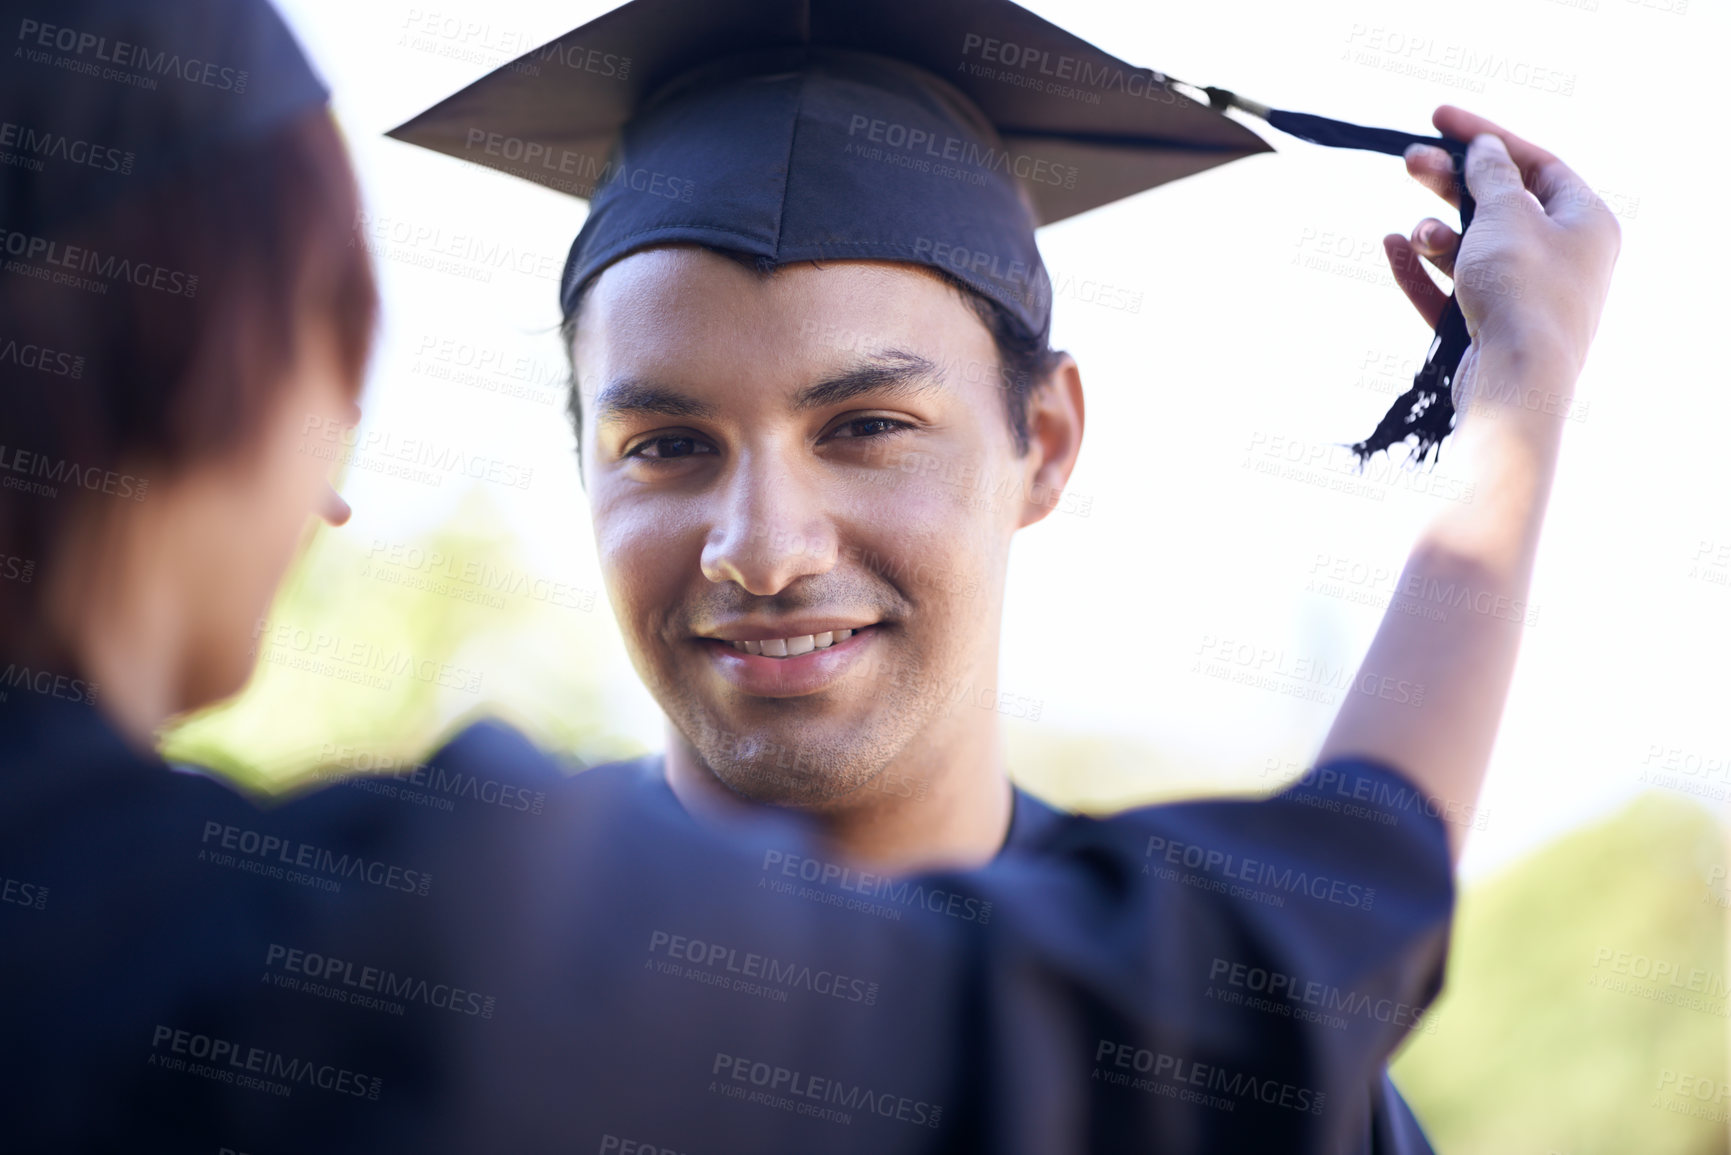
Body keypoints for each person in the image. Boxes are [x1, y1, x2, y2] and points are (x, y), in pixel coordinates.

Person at [0, 3, 1608, 1155]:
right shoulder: (371, 973)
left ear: (1043, 442)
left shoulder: (1297, 1122)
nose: (762, 549)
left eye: (868, 425)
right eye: (666, 446)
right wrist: (1515, 410)